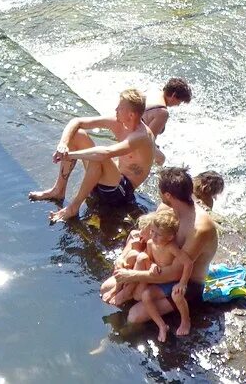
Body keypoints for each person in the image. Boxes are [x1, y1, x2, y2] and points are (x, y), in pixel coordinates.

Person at [109, 166, 218, 337]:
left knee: (135, 315)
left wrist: (132, 276)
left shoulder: (200, 228)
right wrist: (123, 257)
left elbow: (176, 272)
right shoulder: (165, 209)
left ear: (168, 195)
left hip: (185, 283)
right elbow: (141, 235)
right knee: (106, 288)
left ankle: (116, 338)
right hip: (157, 268)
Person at [28, 88, 155, 224]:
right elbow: (77, 121)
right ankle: (58, 190)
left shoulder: (141, 136)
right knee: (78, 134)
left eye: (120, 107)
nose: (116, 109)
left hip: (119, 192)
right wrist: (63, 145)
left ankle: (73, 208)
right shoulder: (118, 121)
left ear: (131, 115)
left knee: (99, 155)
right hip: (106, 179)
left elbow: (105, 153)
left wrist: (69, 155)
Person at [126, 206, 193, 342]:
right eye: (152, 232)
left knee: (177, 295)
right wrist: (153, 266)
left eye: (158, 234)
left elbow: (188, 263)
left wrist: (183, 283)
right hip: (159, 280)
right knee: (145, 295)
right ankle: (162, 325)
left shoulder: (171, 247)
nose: (154, 237)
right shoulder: (151, 243)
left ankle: (186, 320)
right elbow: (150, 259)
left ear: (170, 237)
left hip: (171, 282)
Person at [143, 77, 193, 166]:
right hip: (131, 135)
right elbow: (147, 141)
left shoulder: (154, 89)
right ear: (173, 95)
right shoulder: (162, 112)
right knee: (161, 159)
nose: (178, 105)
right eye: (180, 101)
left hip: (124, 122)